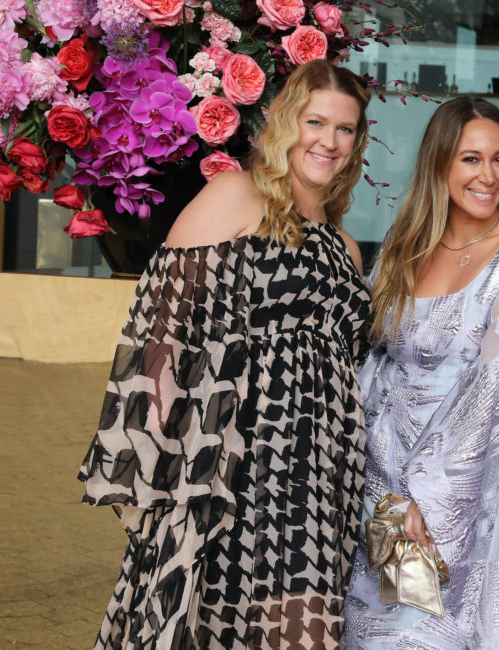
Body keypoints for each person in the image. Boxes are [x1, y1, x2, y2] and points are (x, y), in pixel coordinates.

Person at [78, 60, 372, 647]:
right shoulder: (236, 195)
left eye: (346, 129)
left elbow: (351, 368)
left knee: (302, 630)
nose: (329, 141)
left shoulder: (345, 247)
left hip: (318, 472)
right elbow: (161, 329)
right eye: (317, 122)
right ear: (288, 121)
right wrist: (147, 461)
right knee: (213, 621)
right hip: (231, 460)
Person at [344, 97, 499, 648]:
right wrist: (375, 487)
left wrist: (424, 500)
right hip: (378, 495)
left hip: (460, 500)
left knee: (427, 637)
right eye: (470, 159)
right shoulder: (401, 247)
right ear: (440, 164)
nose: (488, 176)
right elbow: (375, 368)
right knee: (372, 635)